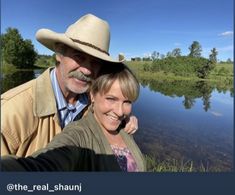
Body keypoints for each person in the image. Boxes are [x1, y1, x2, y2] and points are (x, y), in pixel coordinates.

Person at [1, 14, 138, 157]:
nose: (87, 70)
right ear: (59, 53)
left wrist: (123, 119)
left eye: (96, 62)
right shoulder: (11, 113)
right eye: (79, 57)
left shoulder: (92, 96)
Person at [1, 64, 146, 172]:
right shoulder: (79, 134)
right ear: (92, 95)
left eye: (127, 102)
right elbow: (50, 161)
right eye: (111, 99)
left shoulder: (123, 127)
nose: (120, 111)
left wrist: (127, 118)